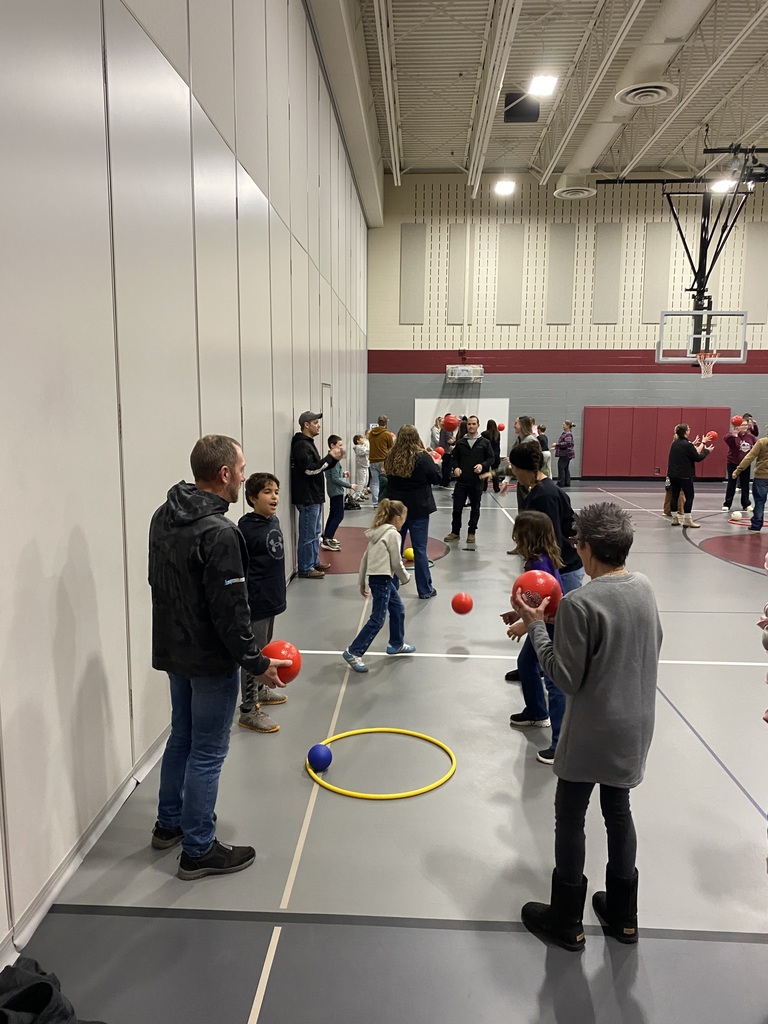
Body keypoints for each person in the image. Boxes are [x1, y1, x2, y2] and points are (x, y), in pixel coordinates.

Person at [513, 502, 663, 952]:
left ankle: (567, 921)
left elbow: (564, 677)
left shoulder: (581, 601)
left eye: (578, 542)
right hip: (635, 725)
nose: (575, 548)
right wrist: (554, 621)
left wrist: (537, 627)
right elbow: (644, 640)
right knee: (618, 811)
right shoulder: (643, 586)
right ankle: (624, 916)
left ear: (590, 548)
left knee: (571, 815)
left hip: (593, 729)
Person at [149, 435, 291, 880]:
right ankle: (198, 849)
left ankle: (169, 824)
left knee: (182, 737)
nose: (245, 477)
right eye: (242, 469)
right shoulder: (221, 533)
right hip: (210, 660)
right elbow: (232, 611)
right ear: (225, 473)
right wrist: (256, 663)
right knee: (208, 752)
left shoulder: (163, 515)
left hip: (174, 649)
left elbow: (158, 582)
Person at [503, 441, 584, 683]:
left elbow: (552, 541)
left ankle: (545, 674)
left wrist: (526, 623)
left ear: (524, 469)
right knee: (546, 635)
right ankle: (532, 665)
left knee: (554, 632)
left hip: (563, 571)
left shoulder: (544, 496)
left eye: (514, 468)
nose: (513, 473)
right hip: (562, 568)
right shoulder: (542, 490)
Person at [503, 512, 565, 765]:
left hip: (551, 626)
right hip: (545, 622)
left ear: (527, 536)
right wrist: (518, 613)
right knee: (526, 663)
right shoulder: (540, 559)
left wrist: (524, 624)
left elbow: (545, 604)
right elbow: (534, 598)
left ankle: (561, 745)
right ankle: (537, 712)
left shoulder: (539, 565)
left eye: (518, 532)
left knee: (554, 682)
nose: (514, 537)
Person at [237, 473, 291, 734]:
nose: (274, 497)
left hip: (272, 597)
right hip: (256, 602)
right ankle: (248, 710)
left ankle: (259, 690)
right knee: (253, 656)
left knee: (265, 648)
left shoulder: (273, 521)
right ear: (252, 498)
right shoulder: (246, 529)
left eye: (276, 492)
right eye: (267, 492)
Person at [342, 499, 413, 673]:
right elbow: (396, 561)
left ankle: (396, 643)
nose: (403, 522)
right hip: (383, 580)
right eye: (404, 518)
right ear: (397, 517)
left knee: (398, 609)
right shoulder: (393, 534)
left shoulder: (377, 532)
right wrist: (405, 577)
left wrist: (361, 581)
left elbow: (365, 558)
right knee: (377, 620)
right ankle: (353, 651)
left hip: (378, 578)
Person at [384, 424, 441, 599]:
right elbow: (436, 478)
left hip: (396, 510)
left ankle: (392, 587)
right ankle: (425, 590)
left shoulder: (391, 456)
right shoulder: (423, 458)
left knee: (394, 549)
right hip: (418, 508)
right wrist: (437, 464)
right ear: (416, 437)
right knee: (420, 550)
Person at [290, 412, 342, 579]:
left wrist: (332, 459)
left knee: (315, 533)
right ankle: (306, 568)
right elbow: (310, 469)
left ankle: (313, 562)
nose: (318, 425)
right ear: (306, 425)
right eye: (315, 422)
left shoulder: (308, 444)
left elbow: (318, 467)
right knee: (308, 534)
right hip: (307, 497)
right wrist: (329, 457)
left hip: (314, 496)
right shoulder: (301, 445)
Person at [443, 415, 495, 544]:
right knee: (457, 508)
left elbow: (491, 458)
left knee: (475, 508)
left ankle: (471, 532)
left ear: (478, 425)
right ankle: (455, 532)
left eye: (473, 424)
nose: (471, 426)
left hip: (476, 481)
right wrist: (456, 467)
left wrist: (482, 465)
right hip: (462, 481)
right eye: (469, 424)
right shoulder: (461, 442)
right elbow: (454, 458)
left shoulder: (485, 442)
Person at [667, 423, 713, 528]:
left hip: (673, 474)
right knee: (690, 496)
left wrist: (698, 443)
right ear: (685, 431)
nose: (690, 429)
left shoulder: (675, 443)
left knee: (674, 495)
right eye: (688, 429)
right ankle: (687, 519)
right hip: (684, 475)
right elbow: (698, 457)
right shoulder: (687, 445)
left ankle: (674, 518)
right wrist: (706, 451)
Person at [322, 434, 356, 550]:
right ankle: (328, 538)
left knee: (333, 513)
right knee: (339, 515)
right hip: (336, 491)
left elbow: (334, 475)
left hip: (333, 490)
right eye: (339, 445)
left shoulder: (330, 459)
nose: (341, 448)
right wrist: (350, 485)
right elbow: (335, 479)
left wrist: (343, 474)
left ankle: (327, 536)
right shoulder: (334, 461)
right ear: (332, 445)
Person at [732, 429, 768, 532]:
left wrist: (738, 470)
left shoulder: (762, 442)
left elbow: (749, 457)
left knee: (760, 501)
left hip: (761, 476)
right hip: (762, 477)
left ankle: (756, 526)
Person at [722, 419, 755, 513]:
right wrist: (734, 436)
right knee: (731, 483)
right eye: (742, 425)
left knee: (745, 484)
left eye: (746, 425)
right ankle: (727, 504)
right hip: (733, 463)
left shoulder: (750, 437)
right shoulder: (732, 436)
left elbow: (755, 446)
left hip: (745, 464)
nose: (744, 427)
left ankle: (746, 504)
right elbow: (726, 439)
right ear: (737, 426)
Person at [367, 415, 394, 504]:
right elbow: (391, 448)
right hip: (384, 461)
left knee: (375, 482)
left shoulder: (371, 434)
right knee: (385, 482)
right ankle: (383, 501)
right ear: (386, 423)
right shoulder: (387, 434)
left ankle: (375, 502)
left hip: (372, 460)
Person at [481, 419, 502, 493]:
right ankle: (496, 488)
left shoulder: (484, 434)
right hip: (496, 454)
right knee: (495, 472)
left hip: (487, 455)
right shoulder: (497, 433)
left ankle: (484, 487)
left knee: (485, 471)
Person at [553, 421, 575, 488]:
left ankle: (561, 483)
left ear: (568, 426)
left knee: (561, 467)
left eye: (564, 425)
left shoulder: (568, 434)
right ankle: (566, 482)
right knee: (565, 468)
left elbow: (567, 443)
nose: (563, 426)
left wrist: (557, 445)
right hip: (567, 454)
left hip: (565, 454)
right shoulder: (567, 433)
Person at [438, 416, 456, 487]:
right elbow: (449, 441)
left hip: (442, 450)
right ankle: (446, 482)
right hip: (447, 451)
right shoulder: (448, 430)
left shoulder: (442, 429)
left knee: (444, 467)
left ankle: (442, 482)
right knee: (447, 468)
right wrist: (454, 440)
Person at [352, 433, 370, 498]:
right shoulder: (358, 448)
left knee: (365, 482)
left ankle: (361, 493)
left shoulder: (363, 446)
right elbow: (367, 451)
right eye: (361, 439)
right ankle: (357, 496)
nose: (363, 440)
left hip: (365, 466)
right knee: (361, 482)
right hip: (361, 467)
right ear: (358, 441)